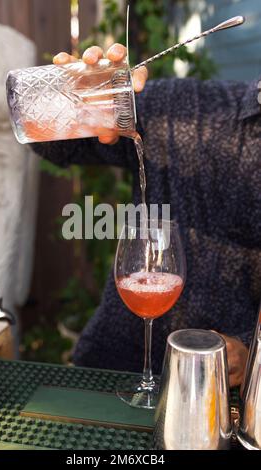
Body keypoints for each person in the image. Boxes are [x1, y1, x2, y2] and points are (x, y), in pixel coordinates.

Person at [32, 44, 261, 387]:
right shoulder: (183, 108)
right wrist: (70, 98)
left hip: (216, 394)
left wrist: (251, 350)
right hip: (109, 370)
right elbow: (55, 144)